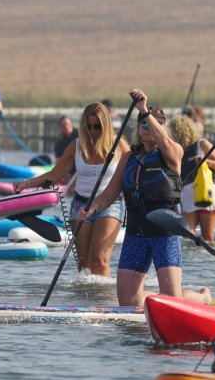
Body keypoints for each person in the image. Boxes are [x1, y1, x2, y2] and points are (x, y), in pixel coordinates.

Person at [80, 89, 211, 306]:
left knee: (172, 300)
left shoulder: (173, 152)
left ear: (163, 127)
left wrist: (143, 110)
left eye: (156, 124)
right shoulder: (129, 157)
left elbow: (166, 143)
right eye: (143, 124)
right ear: (138, 128)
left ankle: (202, 298)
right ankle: (151, 304)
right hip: (136, 232)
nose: (148, 127)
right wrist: (92, 207)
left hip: (165, 232)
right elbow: (110, 193)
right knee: (128, 303)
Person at [15, 102, 130, 277]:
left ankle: (104, 301)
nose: (92, 131)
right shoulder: (76, 146)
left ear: (106, 126)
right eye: (88, 127)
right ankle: (84, 300)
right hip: (81, 205)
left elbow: (133, 172)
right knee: (84, 263)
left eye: (97, 127)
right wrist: (27, 183)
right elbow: (54, 174)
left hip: (110, 204)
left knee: (99, 259)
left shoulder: (119, 145)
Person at [168, 114, 215, 244]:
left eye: (173, 132)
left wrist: (206, 161)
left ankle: (205, 263)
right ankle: (191, 263)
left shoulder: (201, 144)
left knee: (207, 238)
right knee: (187, 236)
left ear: (180, 132)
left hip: (206, 192)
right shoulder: (178, 149)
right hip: (188, 195)